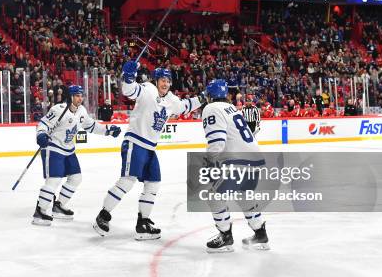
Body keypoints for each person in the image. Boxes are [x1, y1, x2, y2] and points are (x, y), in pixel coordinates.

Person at [93, 62, 203, 240]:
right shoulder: (148, 89)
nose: (165, 84)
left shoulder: (171, 99)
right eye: (162, 80)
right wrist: (128, 77)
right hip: (135, 142)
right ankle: (103, 216)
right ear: (156, 80)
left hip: (150, 148)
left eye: (168, 81)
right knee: (127, 181)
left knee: (153, 183)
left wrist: (204, 97)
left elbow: (185, 106)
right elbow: (129, 91)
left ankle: (142, 223)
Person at [32, 85, 121, 226]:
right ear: (70, 97)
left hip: (69, 149)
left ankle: (59, 205)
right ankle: (40, 211)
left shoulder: (82, 111)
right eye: (77, 96)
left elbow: (92, 126)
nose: (80, 98)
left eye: (81, 96)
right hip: (53, 148)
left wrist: (108, 131)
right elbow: (43, 124)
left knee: (76, 178)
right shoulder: (58, 110)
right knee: (54, 180)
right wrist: (41, 134)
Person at [201, 79, 269, 252]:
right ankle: (260, 234)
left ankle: (225, 237)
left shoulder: (211, 108)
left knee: (213, 197)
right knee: (243, 195)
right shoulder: (231, 108)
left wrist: (211, 164)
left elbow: (217, 141)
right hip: (254, 158)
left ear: (210, 95)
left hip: (238, 160)